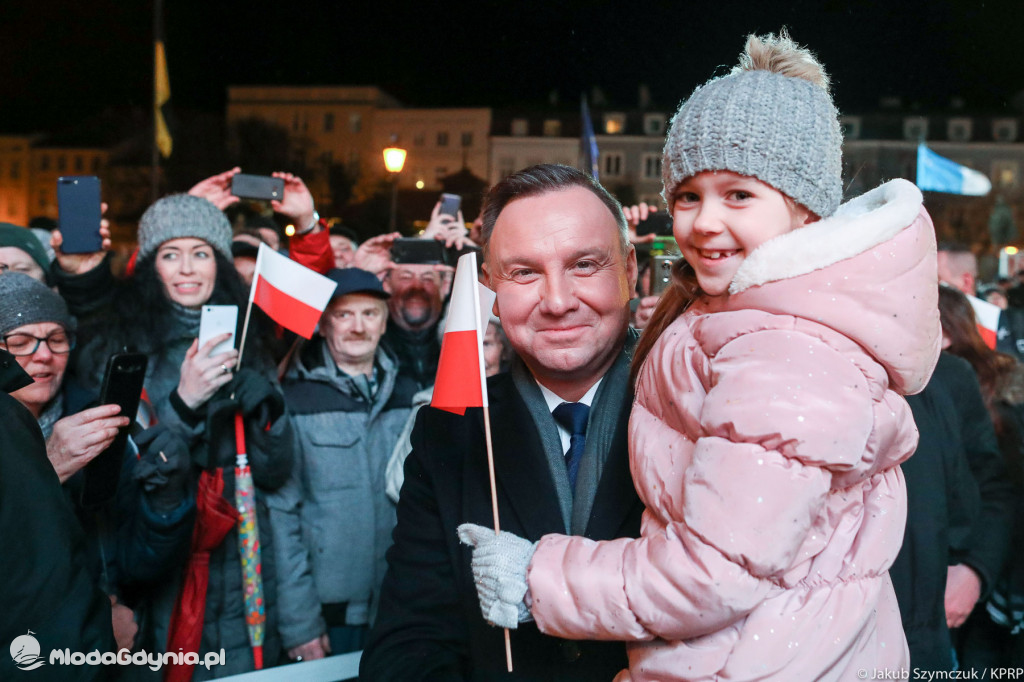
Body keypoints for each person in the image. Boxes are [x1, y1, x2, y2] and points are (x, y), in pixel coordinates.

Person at [458, 32, 941, 681]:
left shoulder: (784, 350)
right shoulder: (744, 317)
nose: (705, 221)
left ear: (804, 208)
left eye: (738, 194)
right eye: (688, 196)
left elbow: (714, 573)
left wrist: (536, 576)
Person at [361, 164, 645, 681]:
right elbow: (409, 642)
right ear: (489, 286)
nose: (557, 302)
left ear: (628, 267)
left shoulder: (699, 412)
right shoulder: (450, 431)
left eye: (584, 264)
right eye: (524, 273)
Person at [52, 193, 299, 679]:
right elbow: (118, 479)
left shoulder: (249, 340)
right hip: (159, 568)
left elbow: (276, 474)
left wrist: (271, 415)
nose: (187, 268)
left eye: (201, 253)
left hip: (245, 561)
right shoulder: (119, 346)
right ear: (150, 266)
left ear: (219, 264)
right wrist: (184, 404)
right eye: (170, 254)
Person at [268, 267, 417, 660]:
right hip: (327, 613)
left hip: (400, 604)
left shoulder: (410, 395)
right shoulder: (293, 398)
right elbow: (282, 516)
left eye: (369, 314)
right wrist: (300, 623)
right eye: (344, 315)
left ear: (384, 323)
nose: (358, 326)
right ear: (322, 325)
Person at [0, 347, 115, 682]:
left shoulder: (92, 413)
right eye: (23, 340)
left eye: (56, 338)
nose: (44, 354)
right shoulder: (7, 419)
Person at [936, 286, 1020, 671]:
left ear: (946, 332)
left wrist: (975, 569)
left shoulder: (962, 386)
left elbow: (998, 487)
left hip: (976, 573)